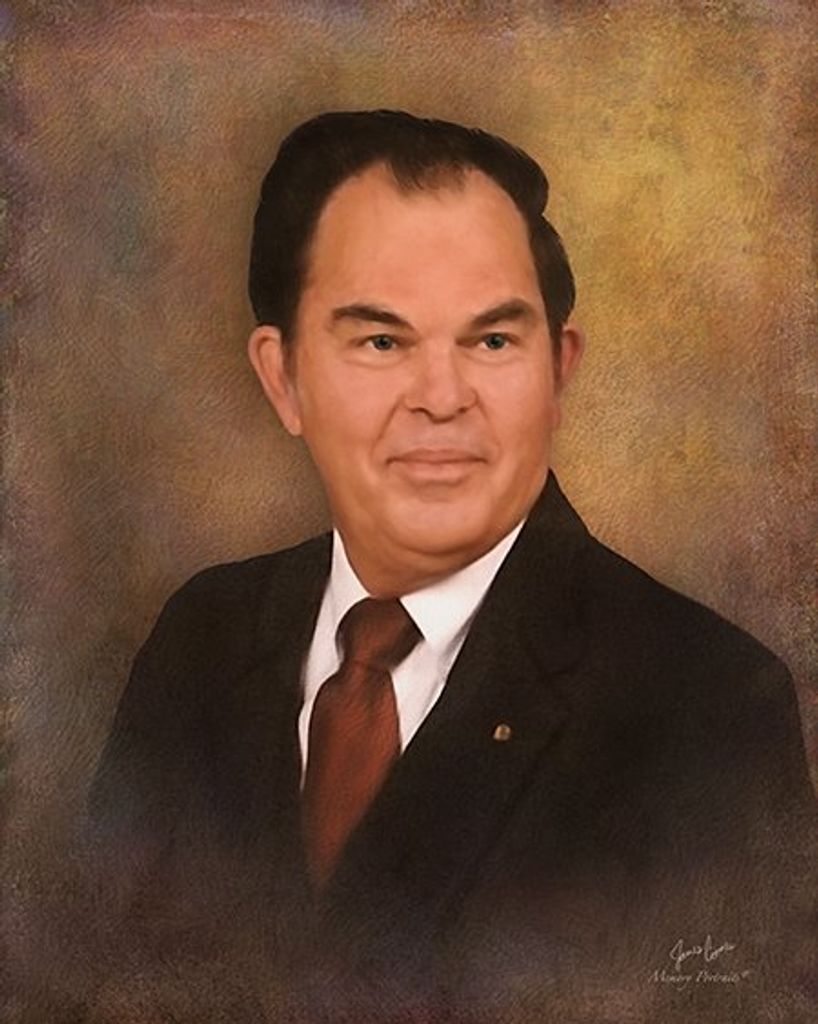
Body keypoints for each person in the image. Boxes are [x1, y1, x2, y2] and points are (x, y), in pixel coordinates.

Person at [86, 110, 816, 1023]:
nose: (442, 398)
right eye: (382, 341)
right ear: (285, 379)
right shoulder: (202, 637)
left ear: (558, 371)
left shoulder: (707, 706)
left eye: (493, 341)